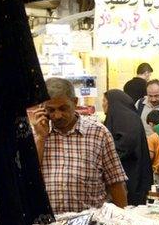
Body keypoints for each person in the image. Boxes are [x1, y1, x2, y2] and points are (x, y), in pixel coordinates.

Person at [29, 78, 128, 214]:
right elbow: (28, 177)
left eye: (63, 108)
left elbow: (115, 182)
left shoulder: (98, 132)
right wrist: (41, 138)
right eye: (51, 110)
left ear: (75, 102)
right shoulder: (35, 134)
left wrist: (122, 219)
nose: (57, 116)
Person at [103, 89, 152, 206]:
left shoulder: (126, 119)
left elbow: (126, 145)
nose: (103, 104)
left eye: (105, 101)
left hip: (130, 175)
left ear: (113, 103)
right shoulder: (122, 118)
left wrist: (106, 158)